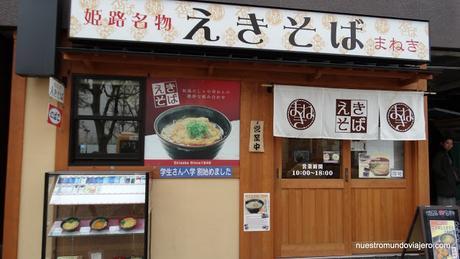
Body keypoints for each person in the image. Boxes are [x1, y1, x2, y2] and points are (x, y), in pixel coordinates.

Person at [432, 137, 458, 206]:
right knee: (444, 204)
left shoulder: (448, 154)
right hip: (444, 185)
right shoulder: (439, 154)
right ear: (442, 144)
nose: (449, 145)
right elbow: (436, 168)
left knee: (451, 203)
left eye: (451, 144)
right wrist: (445, 177)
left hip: (449, 184)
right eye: (447, 143)